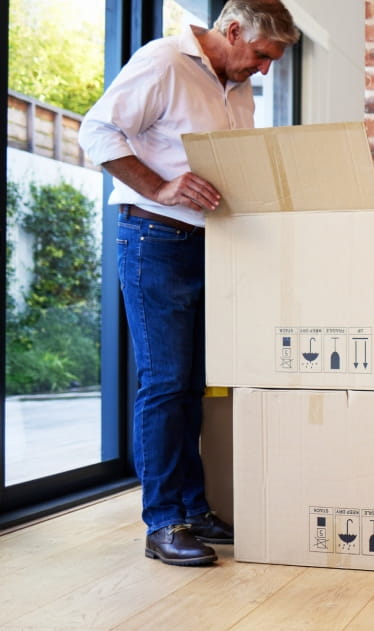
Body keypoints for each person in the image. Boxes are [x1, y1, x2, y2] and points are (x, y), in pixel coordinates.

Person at [79, 1, 299, 566]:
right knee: (165, 383)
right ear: (231, 31)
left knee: (198, 383)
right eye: (261, 56)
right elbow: (97, 131)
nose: (265, 70)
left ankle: (194, 508)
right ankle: (163, 523)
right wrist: (159, 187)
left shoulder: (237, 85)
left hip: (214, 248)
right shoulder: (162, 63)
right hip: (155, 243)